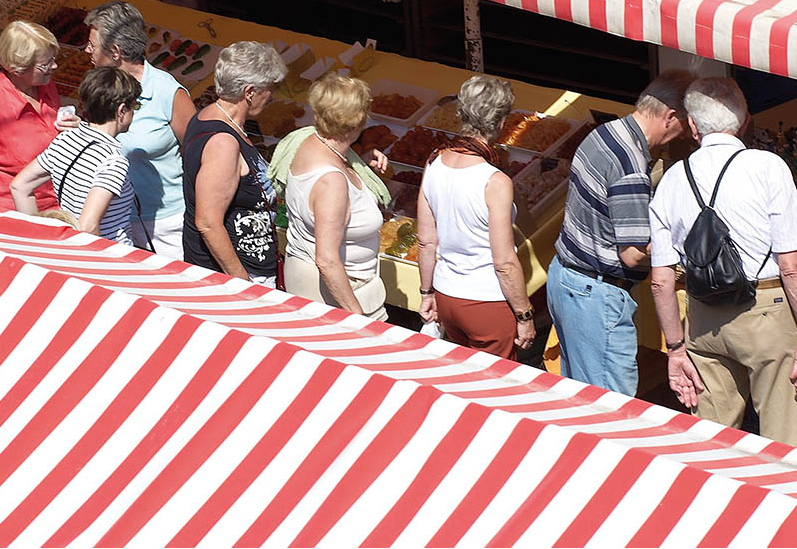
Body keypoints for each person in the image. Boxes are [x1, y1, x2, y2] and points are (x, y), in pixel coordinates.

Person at [648, 78, 797, 449]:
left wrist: (675, 349)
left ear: (692, 126)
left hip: (703, 319)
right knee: (786, 444)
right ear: (745, 121)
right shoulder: (767, 167)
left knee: (712, 445)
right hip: (765, 315)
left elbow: (661, 281)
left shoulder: (672, 179)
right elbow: (792, 263)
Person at [547, 69, 694, 395]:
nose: (686, 135)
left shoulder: (605, 133)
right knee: (610, 409)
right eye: (686, 123)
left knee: (579, 398)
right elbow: (632, 253)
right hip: (594, 296)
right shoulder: (631, 164)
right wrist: (682, 242)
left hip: (566, 280)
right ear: (670, 116)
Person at [416, 75, 535, 359]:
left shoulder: (433, 163)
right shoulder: (494, 181)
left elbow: (426, 242)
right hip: (486, 302)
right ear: (502, 123)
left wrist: (426, 292)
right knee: (494, 387)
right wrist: (525, 315)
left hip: (446, 295)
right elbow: (504, 262)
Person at [85, 2, 196, 254]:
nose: (87, 50)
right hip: (113, 218)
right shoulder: (100, 88)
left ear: (115, 52)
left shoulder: (167, 92)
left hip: (165, 224)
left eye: (92, 45)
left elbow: (198, 154)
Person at [278, 73, 390, 319]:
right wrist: (357, 317)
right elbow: (327, 260)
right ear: (357, 122)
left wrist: (360, 161)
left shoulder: (306, 141)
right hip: (338, 294)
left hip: (308, 277)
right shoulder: (332, 183)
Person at [183, 41, 287, 285]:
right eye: (268, 89)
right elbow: (208, 222)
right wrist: (242, 282)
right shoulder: (223, 144)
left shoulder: (211, 116)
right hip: (234, 277)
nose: (271, 96)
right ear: (249, 92)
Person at [0, 21, 77, 210]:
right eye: (45, 64)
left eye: (53, 58)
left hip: (58, 208)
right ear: (17, 69)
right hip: (13, 216)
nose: (55, 66)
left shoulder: (45, 86)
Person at [11, 67, 140, 245]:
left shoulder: (66, 138)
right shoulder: (113, 161)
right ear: (121, 110)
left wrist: (36, 237)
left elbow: (20, 186)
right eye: (135, 106)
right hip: (106, 258)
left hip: (67, 244)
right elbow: (88, 226)